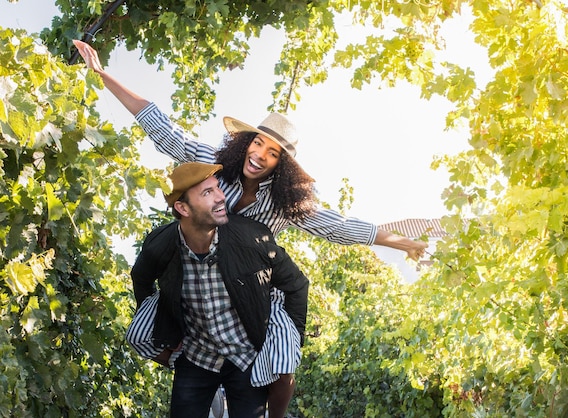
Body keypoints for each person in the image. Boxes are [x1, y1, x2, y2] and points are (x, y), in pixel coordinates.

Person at [73, 39, 428, 418]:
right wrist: (103, 74)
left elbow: (339, 227)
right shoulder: (213, 166)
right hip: (200, 287)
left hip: (252, 296)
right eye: (258, 143)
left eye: (272, 153)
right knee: (152, 330)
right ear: (246, 142)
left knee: (282, 343)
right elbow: (163, 128)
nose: (260, 155)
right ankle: (185, 358)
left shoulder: (284, 203)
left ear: (281, 165)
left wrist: (402, 242)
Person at [131, 161, 309, 417]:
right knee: (136, 333)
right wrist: (165, 329)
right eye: (207, 193)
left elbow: (296, 285)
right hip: (196, 355)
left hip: (245, 355)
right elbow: (141, 280)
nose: (220, 197)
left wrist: (292, 342)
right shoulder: (160, 245)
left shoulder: (251, 237)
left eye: (217, 188)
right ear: (182, 208)